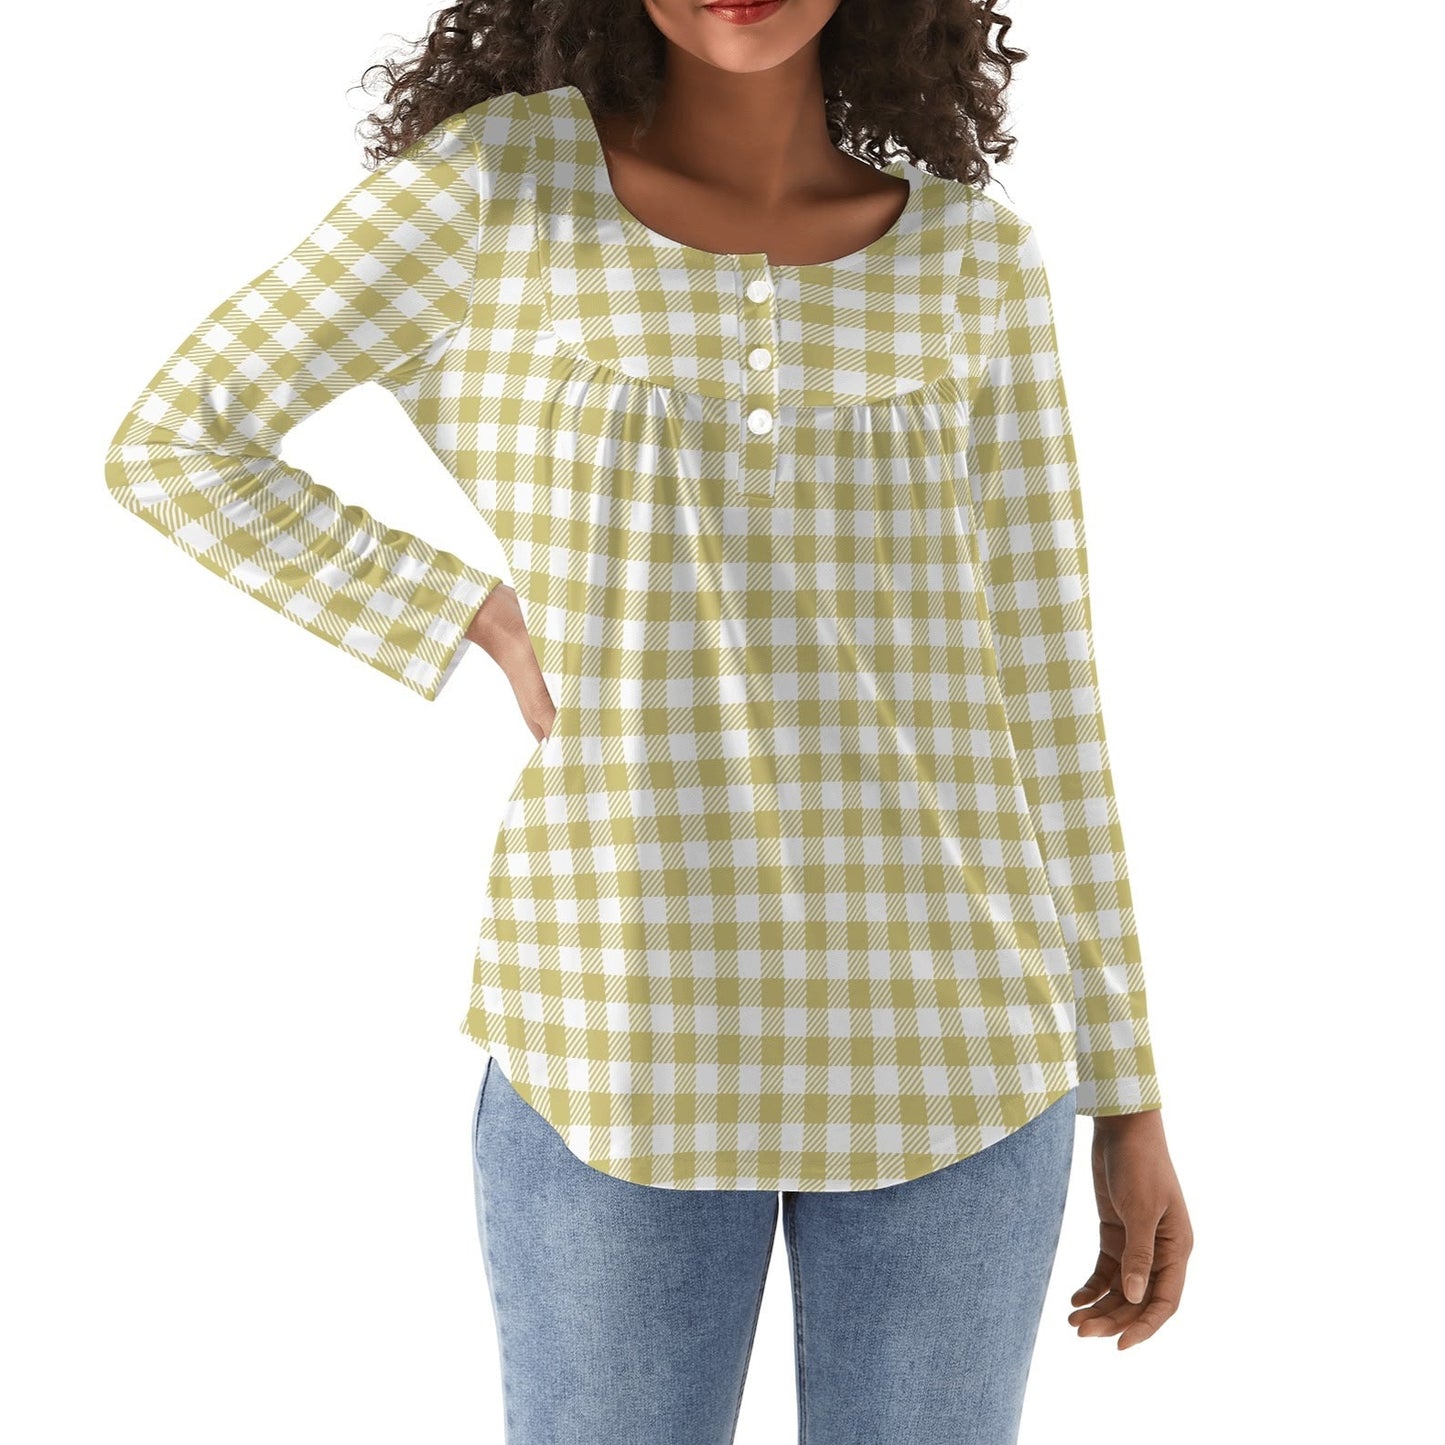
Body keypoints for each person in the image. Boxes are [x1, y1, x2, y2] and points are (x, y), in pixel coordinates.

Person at [104, 1, 1192, 1440]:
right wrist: (467, 615)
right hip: (613, 1028)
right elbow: (178, 441)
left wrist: (1125, 1085)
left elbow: (1046, 677)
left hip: (964, 1048)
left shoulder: (977, 262)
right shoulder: (494, 188)